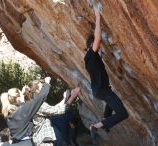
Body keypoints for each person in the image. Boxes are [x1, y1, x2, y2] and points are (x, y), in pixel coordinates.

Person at [84, 8, 129, 142]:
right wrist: (97, 17)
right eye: (98, 47)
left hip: (102, 90)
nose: (100, 49)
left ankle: (105, 122)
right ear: (92, 45)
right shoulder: (91, 55)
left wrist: (100, 56)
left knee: (111, 100)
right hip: (102, 91)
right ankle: (96, 126)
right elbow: (97, 38)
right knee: (123, 113)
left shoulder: (90, 58)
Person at [23, 81, 80, 146]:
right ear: (37, 90)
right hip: (44, 140)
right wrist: (72, 97)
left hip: (40, 139)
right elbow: (59, 110)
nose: (44, 89)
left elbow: (53, 109)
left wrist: (65, 98)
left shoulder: (31, 102)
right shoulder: (39, 105)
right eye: (42, 87)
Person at [0, 77, 51, 146]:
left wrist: (22, 94)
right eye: (21, 94)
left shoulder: (8, 112)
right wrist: (47, 84)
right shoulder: (23, 110)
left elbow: (21, 107)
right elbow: (40, 97)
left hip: (16, 142)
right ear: (18, 98)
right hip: (26, 143)